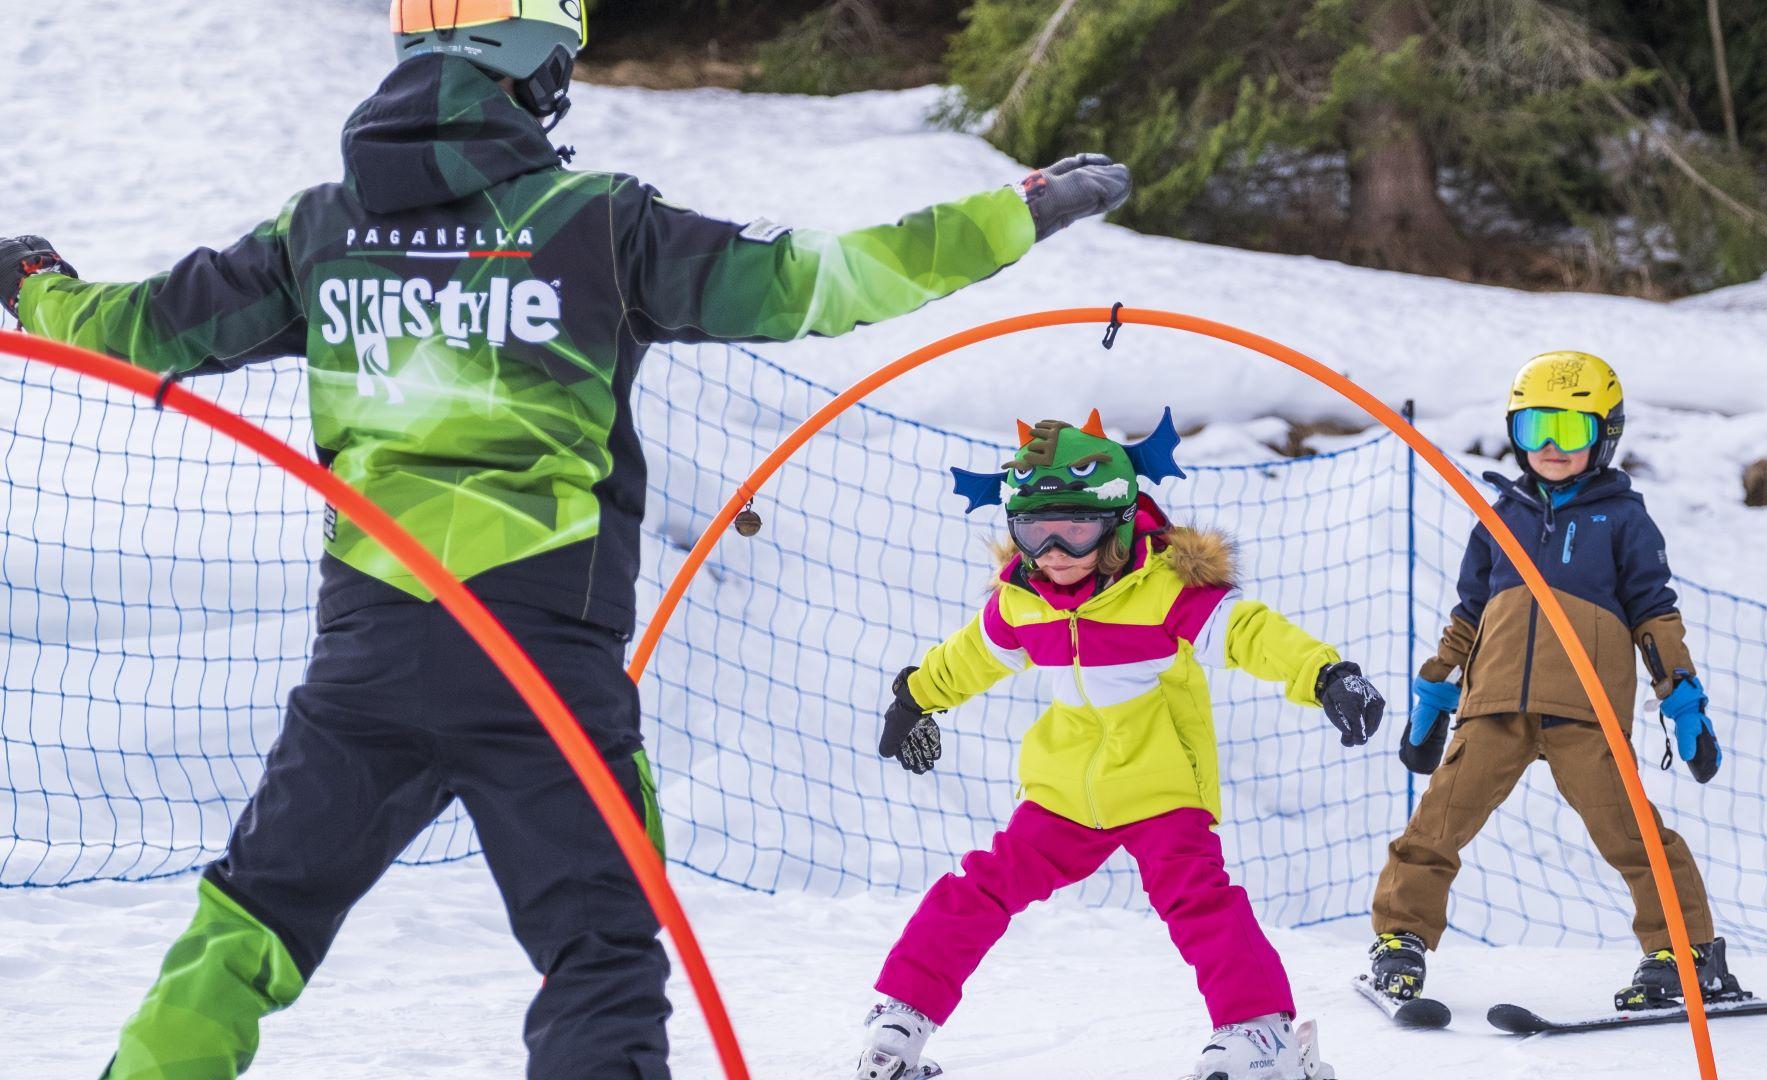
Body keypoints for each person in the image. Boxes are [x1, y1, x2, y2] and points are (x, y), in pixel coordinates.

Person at [0, 2, 1131, 1076]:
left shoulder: (321, 232)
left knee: (248, 924)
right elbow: (813, 280)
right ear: (534, 63)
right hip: (541, 667)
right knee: (597, 949)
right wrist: (1011, 212)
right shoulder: (596, 223)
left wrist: (38, 286)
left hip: (369, 665)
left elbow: (132, 329)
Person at [858, 410, 1381, 1080]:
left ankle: (1258, 1034)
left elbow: (1250, 632)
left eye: (1072, 529)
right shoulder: (1024, 601)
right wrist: (917, 696)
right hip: (1064, 791)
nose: (1051, 551)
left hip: (1160, 784)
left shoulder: (1166, 591)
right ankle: (900, 1018)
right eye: (1032, 529)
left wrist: (1325, 675)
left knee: (1197, 898)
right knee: (980, 887)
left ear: (1116, 522)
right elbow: (971, 656)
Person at [1368, 350, 1741, 1012]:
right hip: (1494, 705)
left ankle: (1686, 953)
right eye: (1534, 427)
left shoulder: (1622, 519)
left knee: (1631, 835)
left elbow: (1655, 616)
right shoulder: (1500, 515)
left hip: (1583, 709)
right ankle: (1400, 941)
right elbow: (1468, 615)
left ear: (1605, 435)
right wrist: (1435, 690)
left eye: (1569, 431)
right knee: (1437, 824)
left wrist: (1682, 700)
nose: (1548, 447)